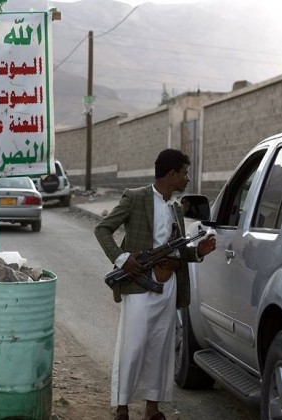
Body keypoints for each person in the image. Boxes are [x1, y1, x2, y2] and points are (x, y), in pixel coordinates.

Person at [94, 149, 216, 420]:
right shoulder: (136, 197)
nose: (187, 178)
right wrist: (122, 259)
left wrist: (198, 252)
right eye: (184, 173)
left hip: (168, 286)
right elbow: (102, 229)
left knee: (160, 348)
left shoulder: (175, 207)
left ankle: (152, 409)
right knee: (134, 346)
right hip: (140, 284)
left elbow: (175, 251)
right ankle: (122, 408)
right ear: (172, 174)